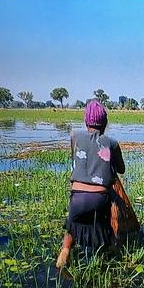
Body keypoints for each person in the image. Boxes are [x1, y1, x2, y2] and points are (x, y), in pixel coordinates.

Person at [56, 100, 125, 269]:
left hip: (77, 197)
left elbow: (76, 158)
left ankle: (64, 252)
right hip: (100, 198)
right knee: (103, 228)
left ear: (86, 122)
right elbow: (121, 169)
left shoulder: (75, 136)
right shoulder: (112, 143)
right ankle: (104, 261)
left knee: (72, 229)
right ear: (105, 123)